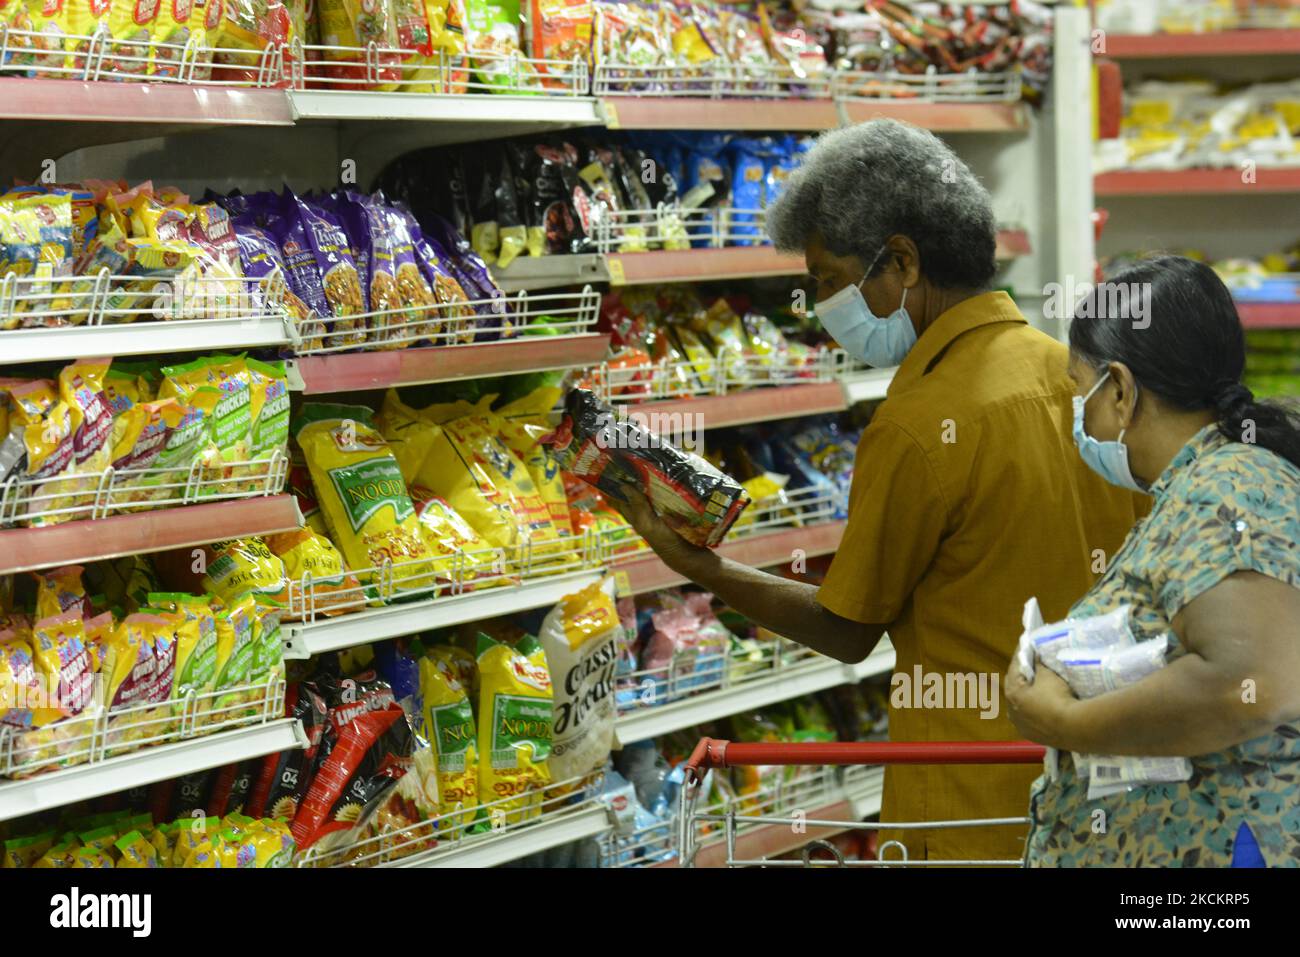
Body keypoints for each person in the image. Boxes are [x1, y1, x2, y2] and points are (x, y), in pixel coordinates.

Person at [612, 119, 1143, 863]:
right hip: (1106, 789)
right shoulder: (1082, 380)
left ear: (902, 262)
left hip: (968, 809)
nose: (822, 308)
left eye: (829, 280)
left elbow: (848, 626)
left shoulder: (919, 421)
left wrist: (703, 568)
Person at [1004, 255, 1300, 867]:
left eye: (1076, 391)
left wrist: (1061, 722)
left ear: (1119, 389)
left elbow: (1252, 687)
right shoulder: (1209, 482)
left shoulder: (1227, 488)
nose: (1076, 417)